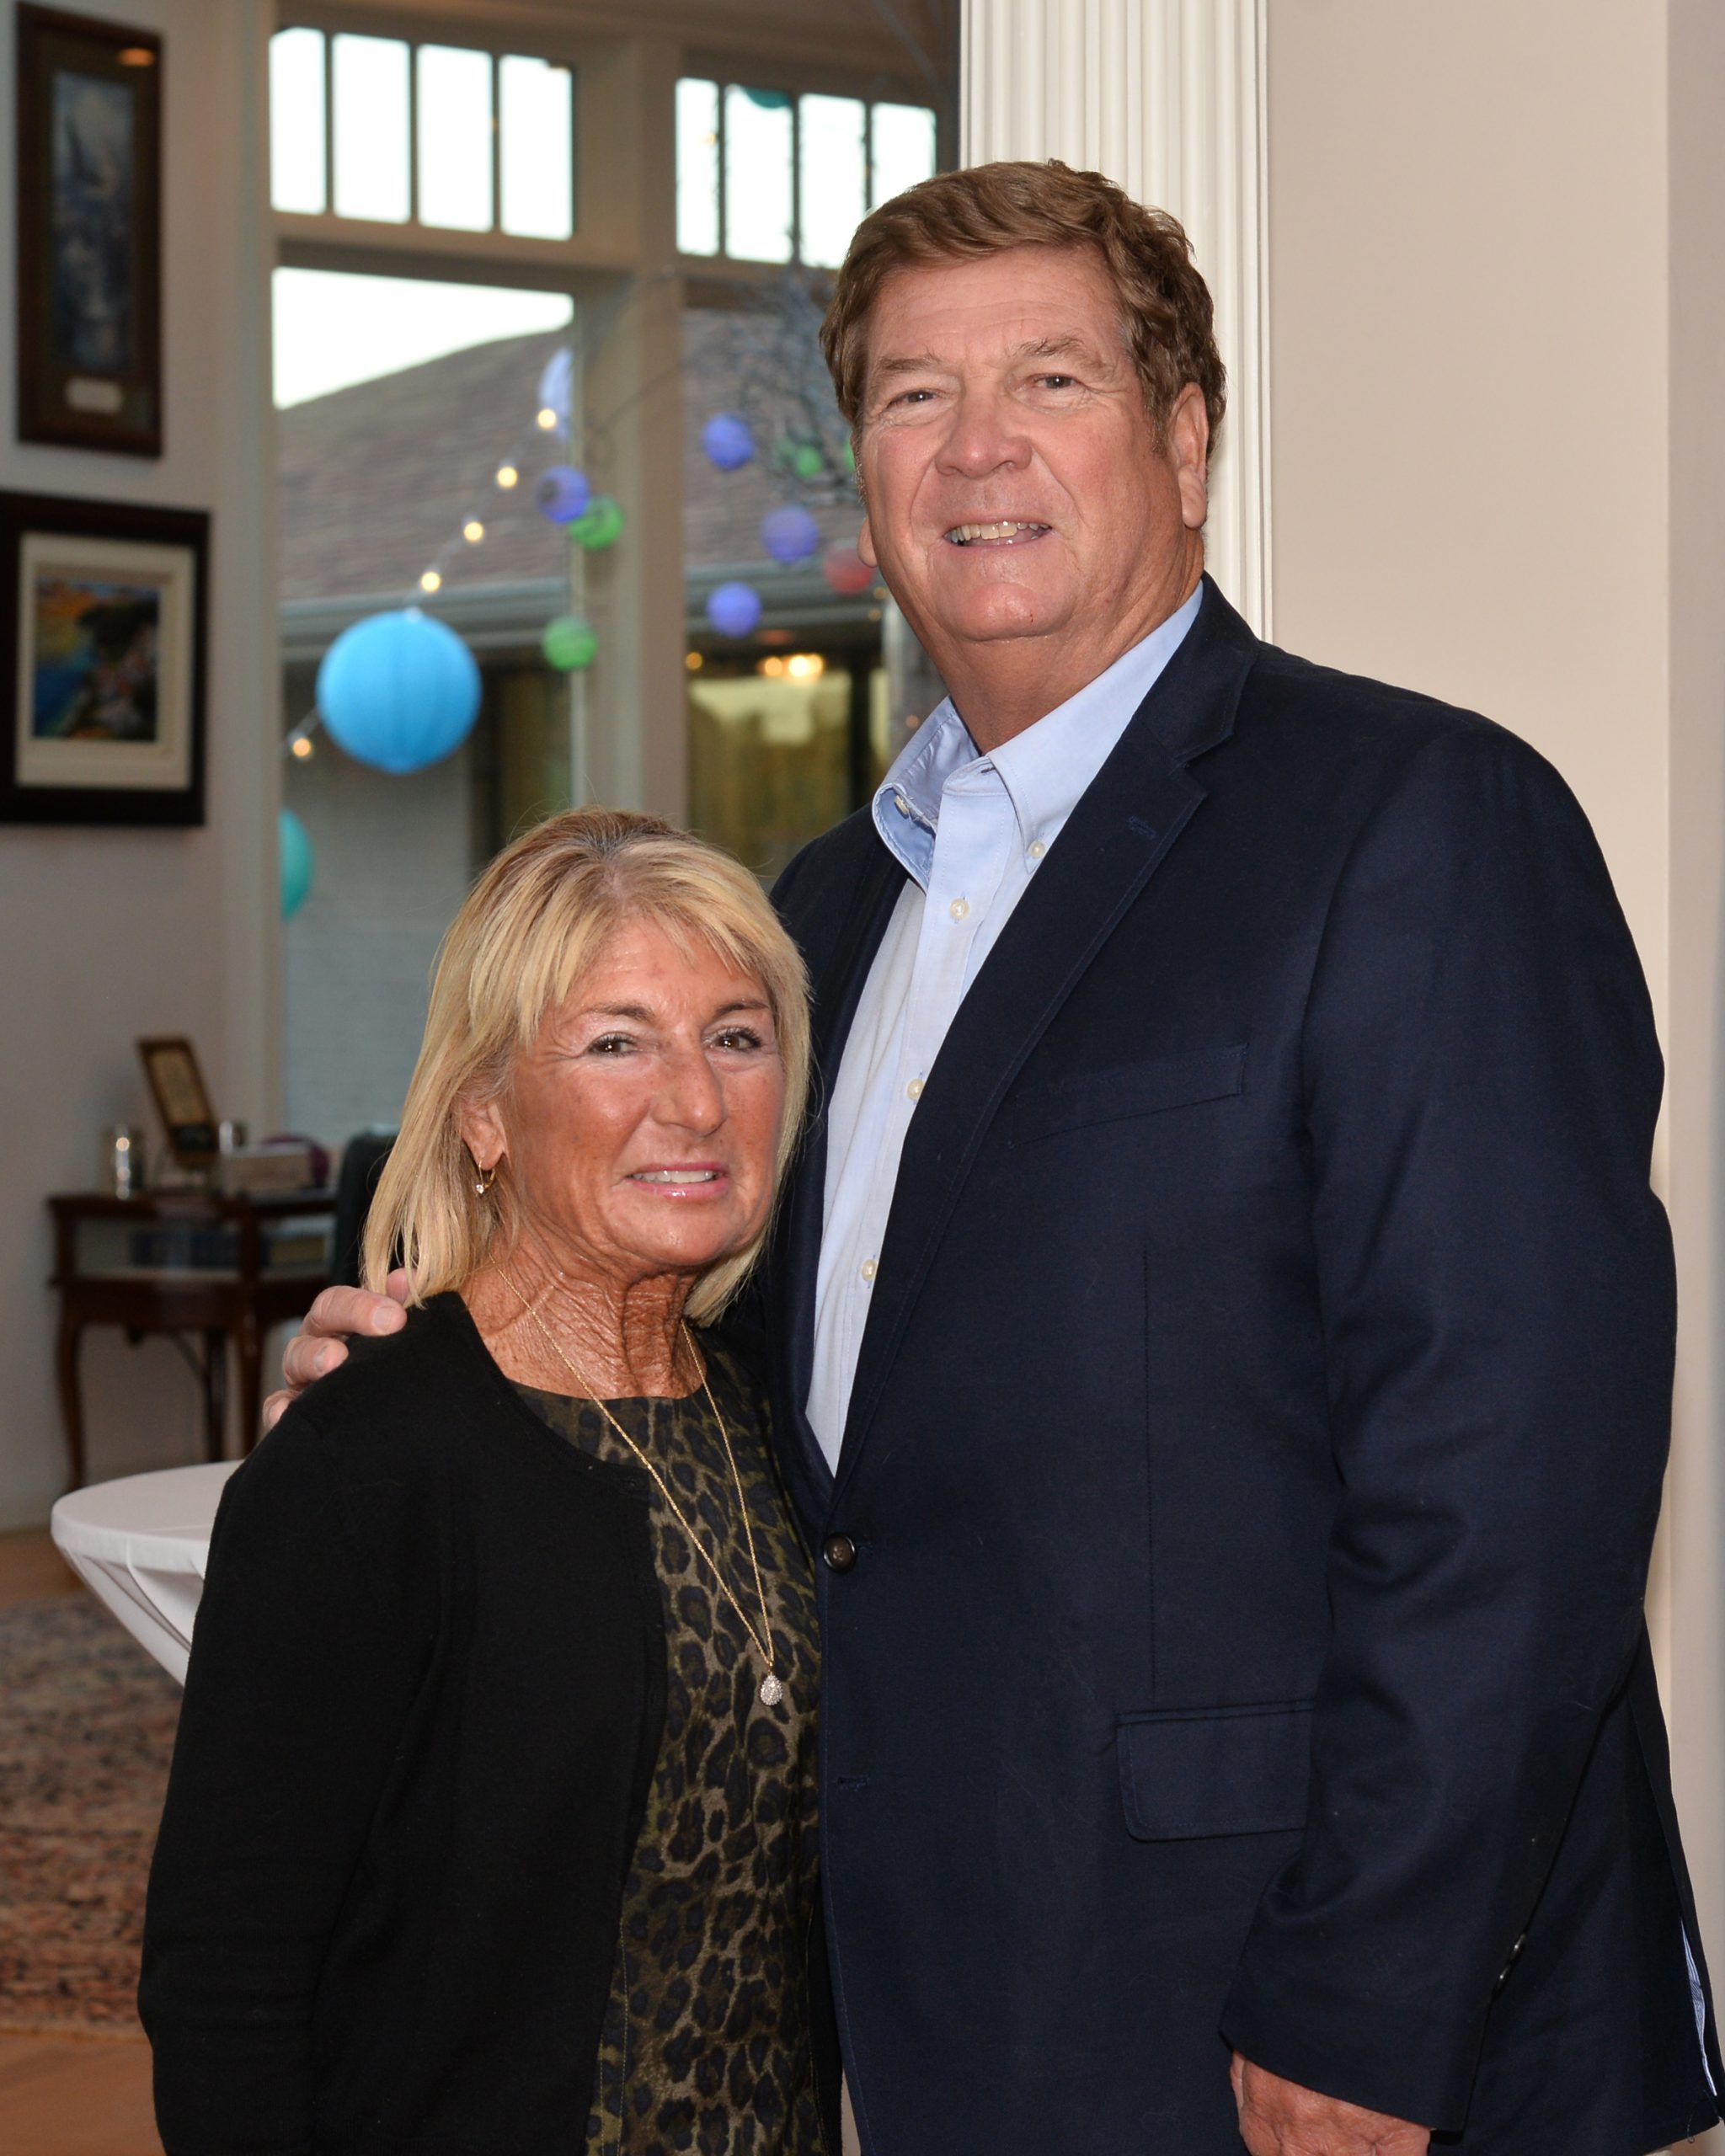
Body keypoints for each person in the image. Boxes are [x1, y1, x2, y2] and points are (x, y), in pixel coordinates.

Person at [275, 164, 1721, 2155]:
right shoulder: (824, 910)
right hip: (947, 1979)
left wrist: (1371, 1992)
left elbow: (1513, 1474)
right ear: (867, 475)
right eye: (912, 395)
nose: (975, 448)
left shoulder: (1415, 820)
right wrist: (431, 1391)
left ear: (1185, 440)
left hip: (1304, 2014)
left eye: (1049, 379)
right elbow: (734, 1392)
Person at [145, 809, 837, 2156]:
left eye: (736, 1037)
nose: (697, 1101)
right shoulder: (367, 1459)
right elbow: (225, 1980)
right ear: (483, 1113)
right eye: (617, 1042)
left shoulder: (780, 1418)